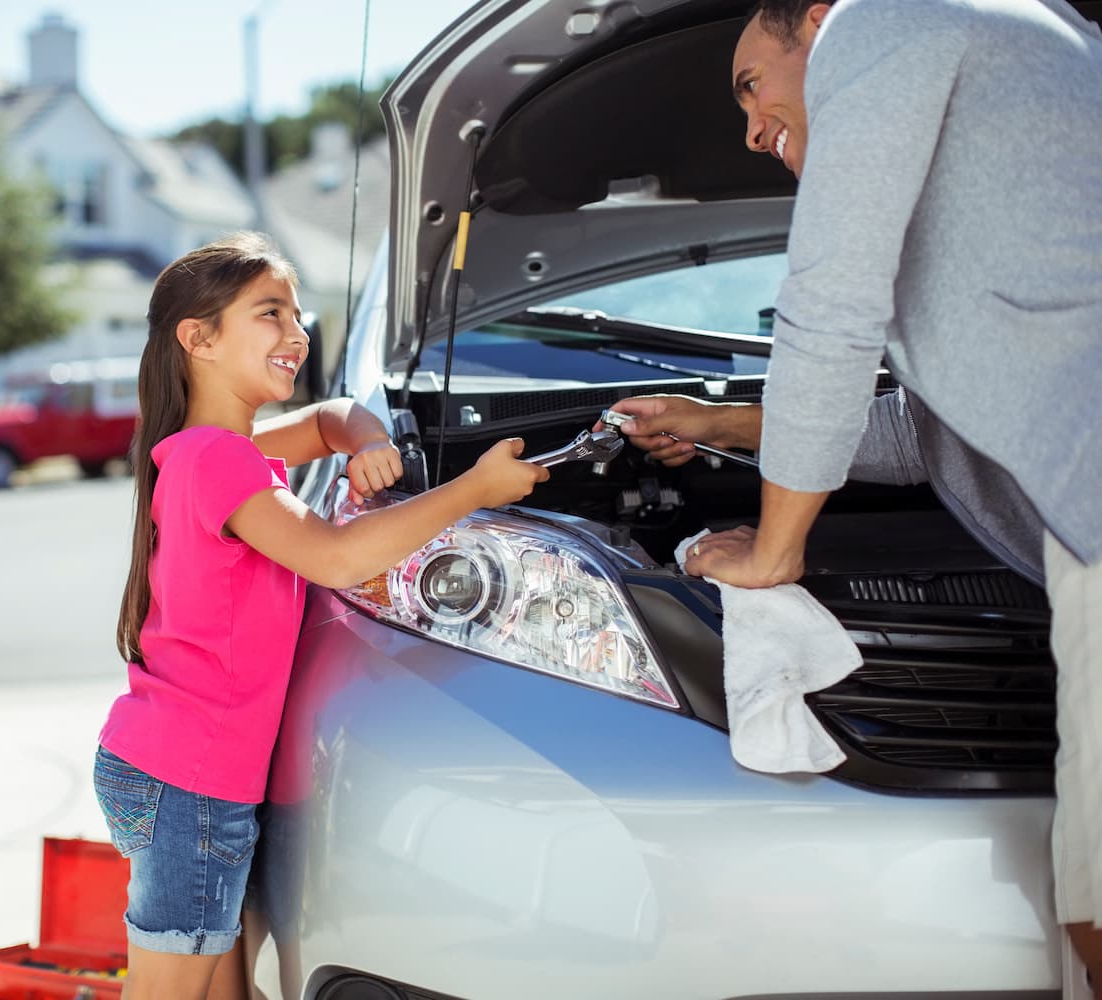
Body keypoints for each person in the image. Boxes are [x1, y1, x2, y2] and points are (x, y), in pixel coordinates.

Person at [601, 0, 1102, 986]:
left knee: (1095, 901)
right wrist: (721, 424)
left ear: (818, 19)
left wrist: (776, 545)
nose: (749, 130)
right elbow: (937, 428)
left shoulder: (881, 20)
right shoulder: (1038, 50)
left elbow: (829, 302)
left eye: (752, 83)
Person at [94, 232, 548, 1000]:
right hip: (193, 783)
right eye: (269, 313)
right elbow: (338, 558)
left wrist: (365, 440)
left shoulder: (202, 446)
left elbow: (334, 414)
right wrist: (474, 489)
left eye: (298, 315)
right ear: (198, 339)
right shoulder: (222, 461)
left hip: (174, 767)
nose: (297, 333)